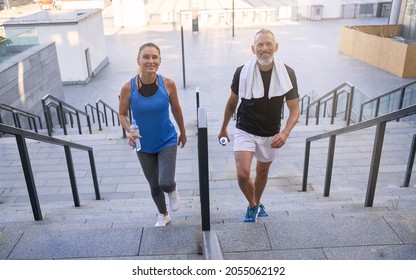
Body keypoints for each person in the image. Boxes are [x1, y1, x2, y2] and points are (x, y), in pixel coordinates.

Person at [218, 28, 300, 223]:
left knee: (262, 172)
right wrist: (223, 127)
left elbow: (294, 111)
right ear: (252, 48)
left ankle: (256, 201)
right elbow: (232, 102)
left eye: (268, 44)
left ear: (276, 47)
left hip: (270, 133)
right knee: (243, 173)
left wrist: (285, 133)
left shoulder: (287, 73)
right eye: (260, 45)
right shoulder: (241, 72)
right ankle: (253, 205)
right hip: (245, 128)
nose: (264, 48)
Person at [118, 42, 187, 227]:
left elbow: (177, 109)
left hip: (167, 140)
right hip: (143, 144)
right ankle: (163, 214)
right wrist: (128, 131)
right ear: (138, 60)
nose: (150, 61)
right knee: (154, 185)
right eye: (146, 57)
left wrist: (183, 132)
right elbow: (122, 114)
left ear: (160, 60)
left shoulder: (169, 84)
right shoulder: (128, 87)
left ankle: (172, 189)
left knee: (164, 182)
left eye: (154, 57)